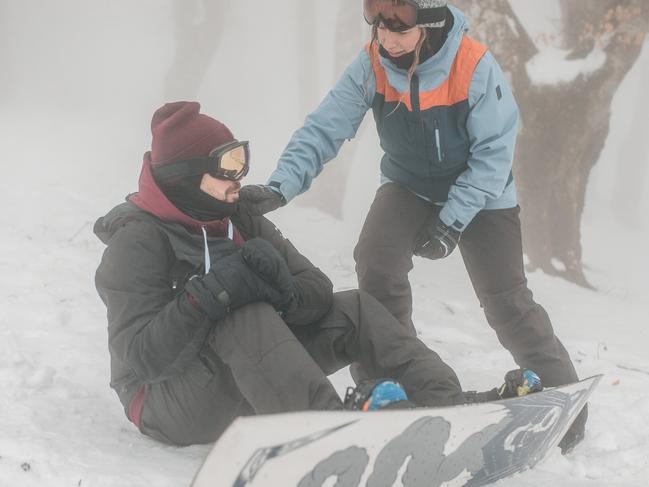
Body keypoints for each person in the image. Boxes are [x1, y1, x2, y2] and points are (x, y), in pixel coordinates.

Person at [239, 1, 585, 453]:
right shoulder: (371, 65)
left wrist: (451, 222)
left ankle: (564, 400)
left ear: (429, 20)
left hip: (482, 192)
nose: (384, 33)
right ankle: (391, 386)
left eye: (398, 20)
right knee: (376, 264)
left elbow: (493, 156)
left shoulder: (473, 64)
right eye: (375, 16)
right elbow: (324, 128)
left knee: (505, 300)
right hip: (409, 185)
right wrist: (281, 186)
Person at [94, 101, 535, 446]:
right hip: (165, 401)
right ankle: (332, 435)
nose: (239, 177)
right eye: (226, 168)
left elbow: (317, 290)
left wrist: (283, 292)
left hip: (246, 373)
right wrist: (213, 293)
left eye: (241, 162)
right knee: (242, 316)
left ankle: (444, 404)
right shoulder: (138, 240)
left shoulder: (239, 216)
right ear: (186, 178)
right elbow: (140, 358)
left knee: (356, 308)